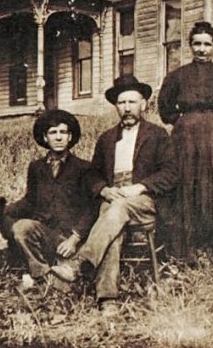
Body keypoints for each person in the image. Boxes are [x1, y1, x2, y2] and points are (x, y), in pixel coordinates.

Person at [50, 75, 178, 312]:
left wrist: (139, 187)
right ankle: (107, 299)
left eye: (132, 102)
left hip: (145, 201)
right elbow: (92, 174)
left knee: (116, 211)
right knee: (113, 224)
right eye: (122, 103)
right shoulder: (106, 138)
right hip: (113, 199)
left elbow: (171, 173)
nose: (127, 108)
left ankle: (79, 264)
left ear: (144, 104)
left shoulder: (158, 134)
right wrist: (105, 190)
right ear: (116, 106)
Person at [157, 20, 213, 264]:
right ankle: (187, 248)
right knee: (188, 185)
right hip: (185, 139)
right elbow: (165, 109)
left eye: (207, 44)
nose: (202, 49)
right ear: (190, 46)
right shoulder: (177, 76)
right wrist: (186, 121)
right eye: (197, 44)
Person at [4, 109, 95, 285]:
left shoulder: (84, 168)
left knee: (69, 284)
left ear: (70, 137)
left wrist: (75, 239)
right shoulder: (36, 167)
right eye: (53, 132)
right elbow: (30, 201)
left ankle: (54, 279)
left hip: (71, 239)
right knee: (22, 227)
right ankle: (41, 274)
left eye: (63, 132)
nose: (59, 137)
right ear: (45, 138)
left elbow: (92, 209)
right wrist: (1, 211)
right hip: (45, 234)